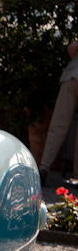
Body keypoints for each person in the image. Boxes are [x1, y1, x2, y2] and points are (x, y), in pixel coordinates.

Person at [39, 41, 78, 185]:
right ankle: (76, 174)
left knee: (58, 124)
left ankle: (44, 166)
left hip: (72, 76)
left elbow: (72, 48)